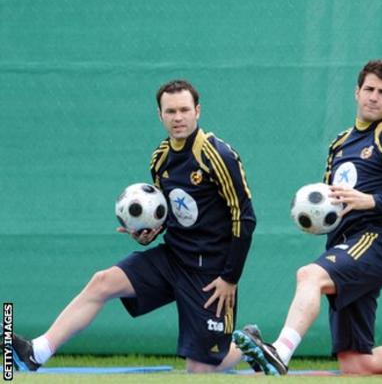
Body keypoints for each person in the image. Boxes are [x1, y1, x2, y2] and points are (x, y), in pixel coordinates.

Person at [11, 79, 257, 373]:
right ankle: (37, 352)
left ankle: (246, 345)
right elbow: (168, 213)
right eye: (170, 111)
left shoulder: (218, 155)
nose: (178, 117)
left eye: (184, 110)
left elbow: (244, 216)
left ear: (197, 111)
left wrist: (230, 277)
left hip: (211, 273)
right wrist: (148, 232)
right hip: (173, 257)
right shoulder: (160, 158)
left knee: (199, 371)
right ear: (160, 115)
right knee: (102, 282)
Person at [234, 59, 382, 375]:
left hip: (371, 242)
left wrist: (369, 201)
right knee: (356, 363)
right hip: (342, 244)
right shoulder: (339, 144)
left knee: (309, 275)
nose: (374, 97)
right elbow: (331, 202)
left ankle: (280, 352)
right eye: (369, 89)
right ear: (356, 92)